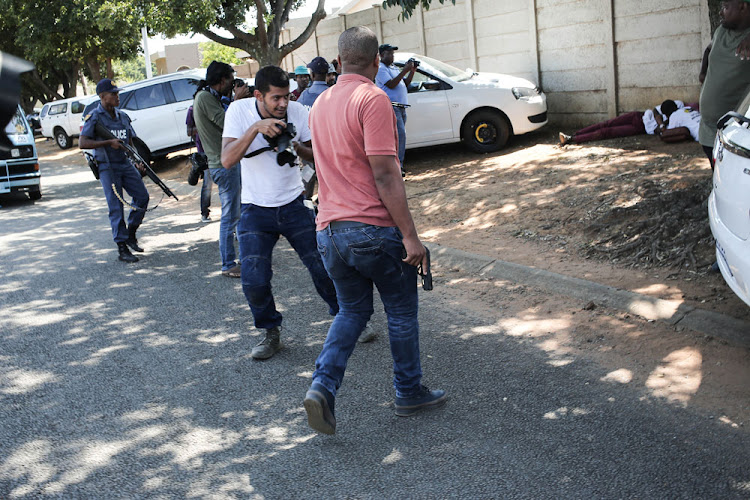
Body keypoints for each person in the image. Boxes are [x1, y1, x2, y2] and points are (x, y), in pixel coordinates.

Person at [303, 26, 447, 435]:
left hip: (329, 232)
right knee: (400, 311)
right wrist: (411, 237)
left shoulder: (319, 105)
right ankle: (408, 390)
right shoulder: (374, 98)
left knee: (351, 311)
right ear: (377, 62)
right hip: (371, 229)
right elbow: (385, 174)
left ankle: (322, 386)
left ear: (337, 61)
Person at [220, 65, 339, 360]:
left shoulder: (299, 112)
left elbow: (319, 157)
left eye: (286, 97)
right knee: (253, 279)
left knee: (323, 267)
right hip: (255, 209)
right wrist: (255, 130)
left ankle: (345, 318)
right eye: (276, 99)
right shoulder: (238, 111)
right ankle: (270, 331)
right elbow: (226, 160)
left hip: (294, 204)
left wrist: (296, 145)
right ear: (259, 95)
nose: (283, 104)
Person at [79, 79, 149, 264]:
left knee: (142, 197)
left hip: (125, 164)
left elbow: (130, 142)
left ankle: (131, 233)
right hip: (107, 167)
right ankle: (122, 247)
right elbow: (83, 143)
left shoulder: (123, 116)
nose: (117, 96)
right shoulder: (94, 117)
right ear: (102, 97)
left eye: (117, 93)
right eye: (113, 94)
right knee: (116, 207)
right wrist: (107, 143)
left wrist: (137, 161)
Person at [193, 61, 250, 278]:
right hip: (223, 164)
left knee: (239, 212)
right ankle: (228, 264)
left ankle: (244, 258)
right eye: (230, 79)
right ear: (223, 80)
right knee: (231, 215)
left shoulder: (210, 96)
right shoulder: (205, 98)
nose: (232, 84)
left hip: (226, 162)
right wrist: (236, 101)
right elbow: (228, 123)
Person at [698, 0, 750, 169]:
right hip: (707, 132)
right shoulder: (721, 31)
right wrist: (703, 72)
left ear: (743, 7)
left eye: (726, 7)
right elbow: (708, 49)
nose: (721, 12)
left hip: (733, 136)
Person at [558, 100, 683, 145]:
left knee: (606, 132)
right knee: (606, 124)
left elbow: (658, 132)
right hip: (638, 115)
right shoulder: (678, 104)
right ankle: (576, 133)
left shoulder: (677, 122)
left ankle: (572, 139)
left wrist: (662, 127)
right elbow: (656, 110)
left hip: (639, 127)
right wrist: (661, 123)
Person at [376, 43, 416, 175]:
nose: (392, 56)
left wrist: (411, 71)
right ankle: (398, 167)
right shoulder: (381, 68)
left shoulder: (392, 67)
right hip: (392, 106)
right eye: (389, 53)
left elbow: (405, 83)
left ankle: (398, 165)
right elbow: (392, 84)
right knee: (400, 135)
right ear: (381, 55)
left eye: (393, 53)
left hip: (401, 107)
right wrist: (405, 70)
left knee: (398, 136)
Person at [186, 101, 212, 222]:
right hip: (204, 151)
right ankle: (204, 212)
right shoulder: (192, 110)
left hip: (216, 148)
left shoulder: (214, 105)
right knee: (207, 183)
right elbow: (189, 131)